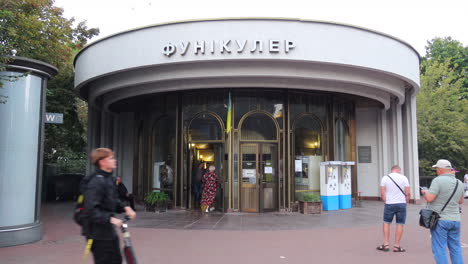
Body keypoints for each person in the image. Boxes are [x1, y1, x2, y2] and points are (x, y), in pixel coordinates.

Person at [83, 148, 136, 264]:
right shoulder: (96, 182)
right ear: (102, 162)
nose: (114, 160)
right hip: (97, 234)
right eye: (111, 158)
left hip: (108, 232)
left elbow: (112, 200)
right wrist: (110, 219)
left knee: (116, 260)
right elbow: (90, 210)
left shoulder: (108, 179)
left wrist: (125, 207)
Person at [421, 159, 464, 264]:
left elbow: (430, 198)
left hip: (440, 220)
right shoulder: (459, 182)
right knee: (455, 247)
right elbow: (460, 201)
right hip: (455, 219)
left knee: (439, 248)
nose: (436, 171)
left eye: (436, 169)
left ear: (440, 169)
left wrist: (425, 192)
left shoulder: (438, 180)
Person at [376, 165, 410, 253]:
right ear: (398, 170)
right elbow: (408, 192)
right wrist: (406, 202)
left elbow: (382, 193)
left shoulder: (385, 178)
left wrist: (385, 201)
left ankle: (386, 245)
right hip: (401, 203)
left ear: (392, 170)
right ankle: (396, 246)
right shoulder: (404, 178)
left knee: (386, 223)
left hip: (389, 203)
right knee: (400, 224)